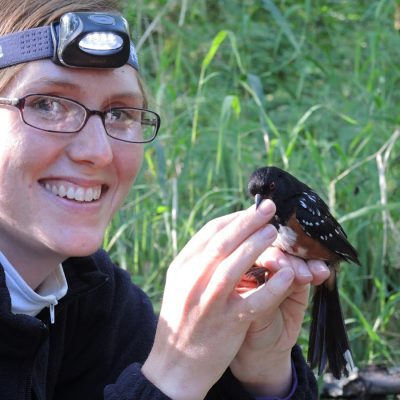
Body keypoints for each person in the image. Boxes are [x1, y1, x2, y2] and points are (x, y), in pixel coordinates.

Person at [0, 0, 331, 399]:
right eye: (47, 104)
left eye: (120, 112)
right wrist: (175, 370)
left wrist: (262, 374)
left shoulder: (90, 290)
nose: (98, 151)